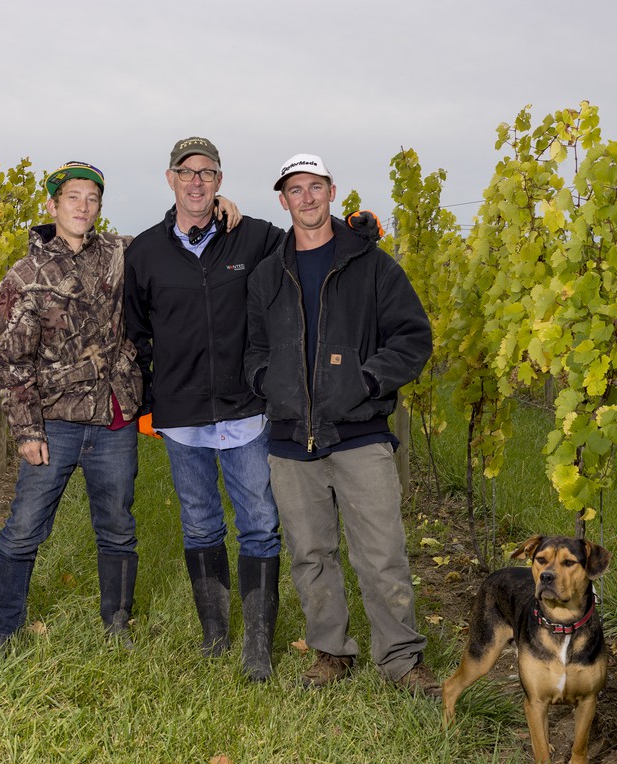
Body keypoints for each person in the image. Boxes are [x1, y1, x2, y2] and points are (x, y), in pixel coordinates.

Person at [245, 153, 439, 693]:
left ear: (332, 191)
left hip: (360, 434)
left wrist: (368, 382)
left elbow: (412, 338)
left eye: (315, 187)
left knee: (381, 552)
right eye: (294, 190)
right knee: (310, 554)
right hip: (290, 440)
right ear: (282, 200)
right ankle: (331, 650)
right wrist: (269, 382)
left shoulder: (372, 265)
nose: (306, 198)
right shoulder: (267, 275)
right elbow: (253, 350)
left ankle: (401, 658)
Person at [125, 137, 284, 682]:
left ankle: (257, 647)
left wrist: (358, 232)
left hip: (245, 410)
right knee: (200, 524)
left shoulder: (257, 236)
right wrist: (150, 401)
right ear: (169, 179)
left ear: (220, 181)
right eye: (186, 172)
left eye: (207, 172)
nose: (196, 181)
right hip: (181, 415)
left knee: (260, 524)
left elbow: (310, 248)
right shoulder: (143, 252)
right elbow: (135, 333)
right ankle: (215, 635)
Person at [0, 161, 143, 653]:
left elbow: (174, 241)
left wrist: (216, 210)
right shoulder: (25, 276)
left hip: (114, 418)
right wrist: (27, 430)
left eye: (92, 198)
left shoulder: (120, 254)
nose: (83, 206)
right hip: (55, 422)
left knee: (117, 526)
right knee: (25, 528)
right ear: (52, 205)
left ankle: (117, 625)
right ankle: (1, 630)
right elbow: (11, 360)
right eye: (73, 197)